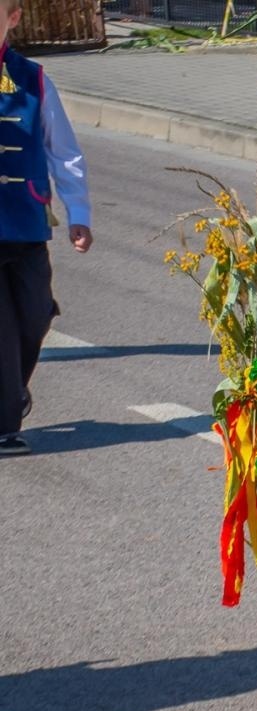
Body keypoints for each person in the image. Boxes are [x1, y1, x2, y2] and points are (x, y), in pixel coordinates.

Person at [0, 0, 92, 457]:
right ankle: (4, 424)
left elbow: (64, 151)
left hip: (25, 220)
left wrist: (79, 213)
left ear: (12, 19)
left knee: (35, 316)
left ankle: (12, 389)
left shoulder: (33, 79)